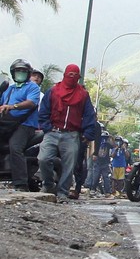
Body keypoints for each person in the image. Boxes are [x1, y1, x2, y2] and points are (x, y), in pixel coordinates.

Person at [37, 64, 99, 201]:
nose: (72, 78)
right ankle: (48, 184)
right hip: (52, 132)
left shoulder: (82, 95)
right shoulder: (53, 91)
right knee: (43, 158)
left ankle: (62, 192)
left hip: (72, 134)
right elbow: (43, 111)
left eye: (75, 75)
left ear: (78, 77)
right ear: (65, 75)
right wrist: (47, 127)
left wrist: (88, 134)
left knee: (69, 165)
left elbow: (89, 115)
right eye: (69, 75)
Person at [0, 59, 42, 191]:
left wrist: (13, 106)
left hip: (25, 125)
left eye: (23, 71)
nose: (20, 74)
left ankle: (21, 183)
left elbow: (31, 103)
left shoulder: (32, 87)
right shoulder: (9, 89)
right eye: (18, 71)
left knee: (15, 147)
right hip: (7, 124)